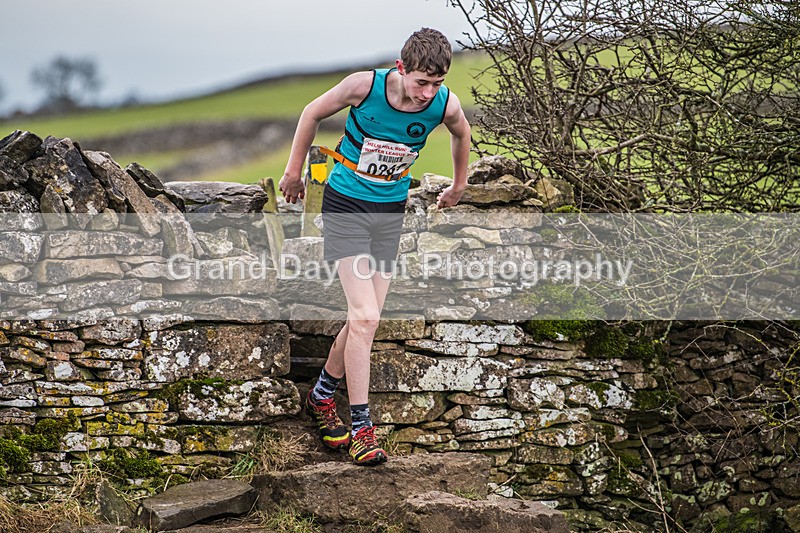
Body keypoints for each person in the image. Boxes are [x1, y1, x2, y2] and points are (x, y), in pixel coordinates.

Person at [278, 27, 471, 466]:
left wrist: (459, 185)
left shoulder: (444, 103)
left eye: (436, 84)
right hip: (345, 204)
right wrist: (293, 171)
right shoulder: (363, 86)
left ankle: (322, 396)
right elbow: (311, 113)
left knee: (365, 320)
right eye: (421, 82)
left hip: (390, 211)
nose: (427, 93)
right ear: (401, 68)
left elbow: (462, 134)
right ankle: (363, 429)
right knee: (365, 317)